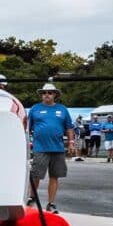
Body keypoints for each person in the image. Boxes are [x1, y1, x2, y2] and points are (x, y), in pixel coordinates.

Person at [27, 83, 76, 214]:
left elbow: (69, 127)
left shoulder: (62, 109)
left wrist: (71, 142)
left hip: (58, 148)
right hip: (40, 147)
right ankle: (31, 198)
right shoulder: (35, 109)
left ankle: (51, 203)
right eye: (44, 93)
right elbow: (27, 128)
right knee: (36, 175)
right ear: (41, 95)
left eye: (50, 92)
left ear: (55, 94)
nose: (46, 95)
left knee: (54, 176)